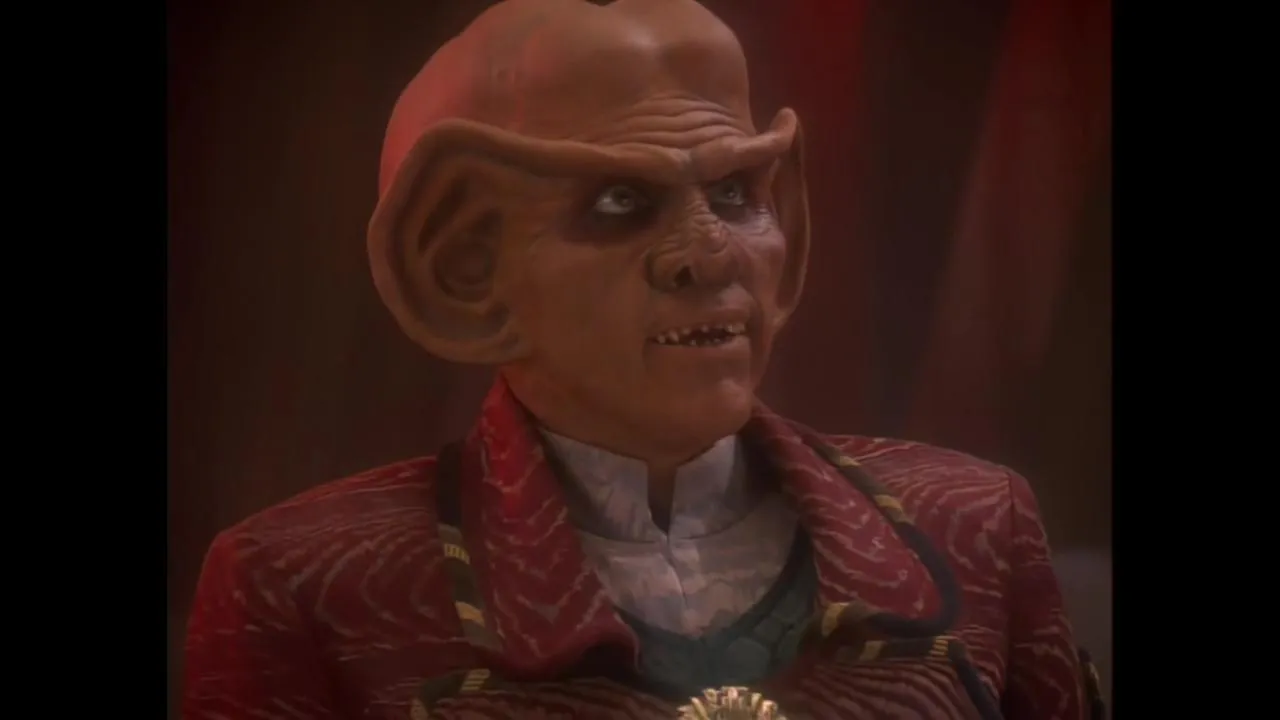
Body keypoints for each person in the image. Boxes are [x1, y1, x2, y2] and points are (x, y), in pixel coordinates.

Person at [181, 1, 1105, 718]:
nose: (708, 256)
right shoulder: (307, 588)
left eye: (735, 193)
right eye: (621, 203)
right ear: (462, 270)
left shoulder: (974, 526)